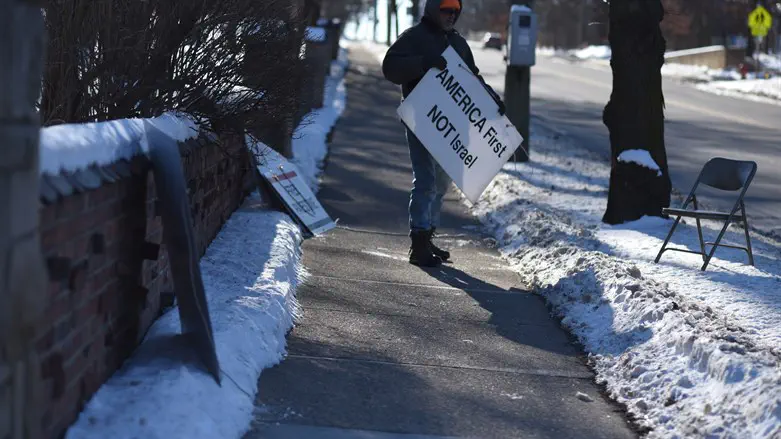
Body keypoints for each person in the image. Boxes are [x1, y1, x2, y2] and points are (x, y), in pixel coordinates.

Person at [382, 0, 505, 267]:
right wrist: (423, 63)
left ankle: (428, 236)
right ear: (433, 10)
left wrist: (491, 99)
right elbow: (390, 67)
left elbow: (472, 78)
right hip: (421, 119)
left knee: (441, 183)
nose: (451, 15)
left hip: (450, 125)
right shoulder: (414, 37)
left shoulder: (459, 44)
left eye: (455, 11)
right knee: (425, 180)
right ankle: (418, 244)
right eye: (445, 10)